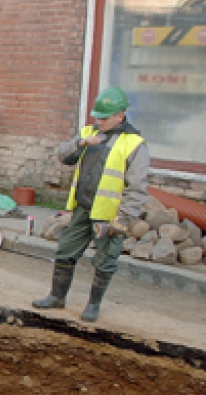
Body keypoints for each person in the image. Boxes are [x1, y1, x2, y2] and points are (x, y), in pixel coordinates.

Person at [32, 87, 149, 322]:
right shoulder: (88, 133)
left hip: (108, 216)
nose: (99, 121)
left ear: (120, 115)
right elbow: (63, 156)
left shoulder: (134, 144)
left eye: (104, 118)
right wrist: (81, 142)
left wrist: (124, 217)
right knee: (65, 252)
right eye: (97, 116)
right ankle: (57, 296)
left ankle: (93, 305)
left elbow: (136, 187)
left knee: (105, 262)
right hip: (83, 209)